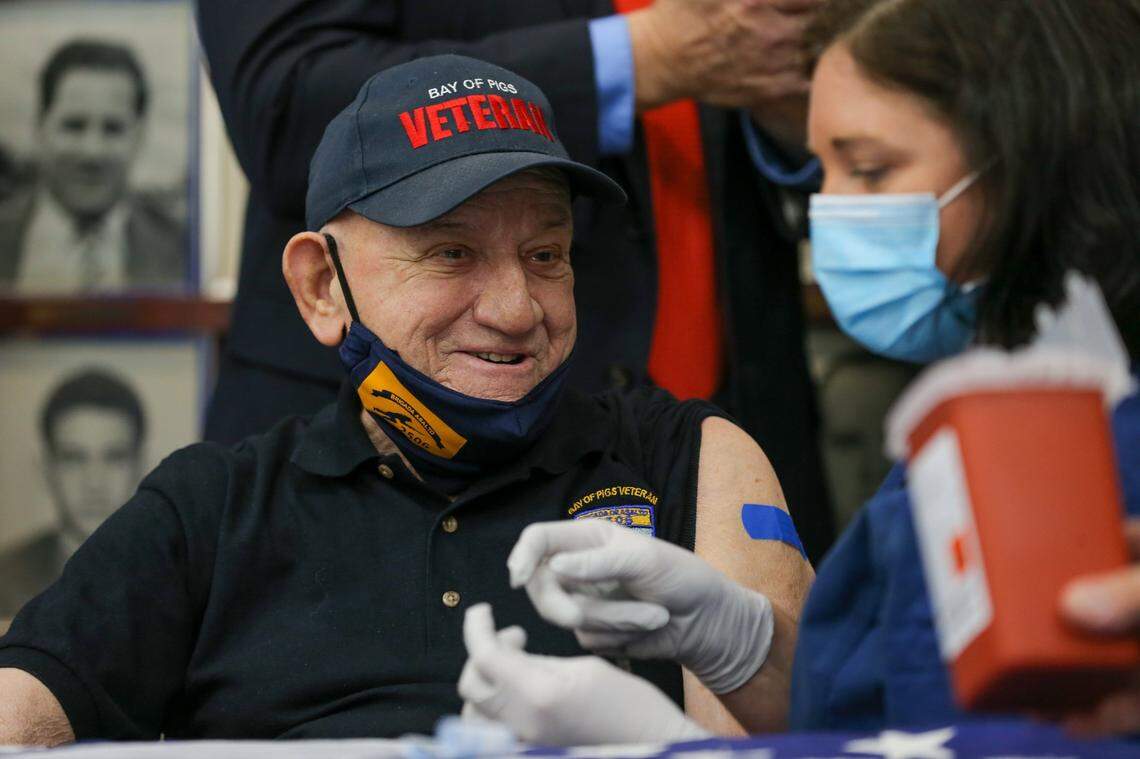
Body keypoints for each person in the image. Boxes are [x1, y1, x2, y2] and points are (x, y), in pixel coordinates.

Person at [0, 56, 813, 746]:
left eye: (546, 252)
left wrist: (732, 660)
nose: (516, 308)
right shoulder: (209, 508)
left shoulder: (688, 457)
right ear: (322, 287)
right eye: (451, 252)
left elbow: (812, 732)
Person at [457, 0, 1140, 744]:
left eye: (871, 169)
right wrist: (742, 643)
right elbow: (882, 707)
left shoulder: (1098, 446)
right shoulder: (985, 421)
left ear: (1030, 157)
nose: (828, 211)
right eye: (823, 170)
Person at [196, 0, 838, 564]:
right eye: (450, 250)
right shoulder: (186, 508)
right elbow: (280, 100)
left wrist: (801, 112)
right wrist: (643, 58)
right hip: (396, 456)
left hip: (735, 413)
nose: (513, 307)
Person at [0, 38, 185, 293]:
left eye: (113, 129)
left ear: (139, 137)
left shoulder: (185, 248)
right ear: (40, 127)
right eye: (74, 126)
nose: (92, 152)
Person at [0, 369, 147, 618]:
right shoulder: (6, 579)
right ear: (46, 469)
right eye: (73, 458)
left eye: (114, 457)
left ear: (140, 466)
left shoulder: (177, 575)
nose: (94, 482)